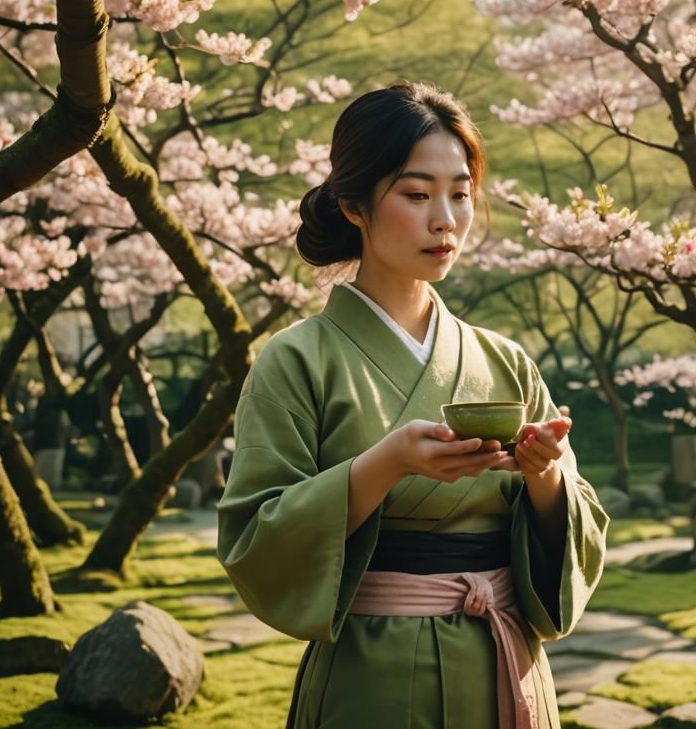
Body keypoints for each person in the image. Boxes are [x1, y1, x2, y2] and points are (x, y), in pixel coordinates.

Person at [217, 80, 609, 729]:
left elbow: (576, 521)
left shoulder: (505, 359)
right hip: (372, 669)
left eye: (460, 194)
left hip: (505, 660)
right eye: (417, 194)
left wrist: (545, 475)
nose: (445, 220)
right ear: (353, 205)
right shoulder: (296, 360)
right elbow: (257, 538)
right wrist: (386, 464)